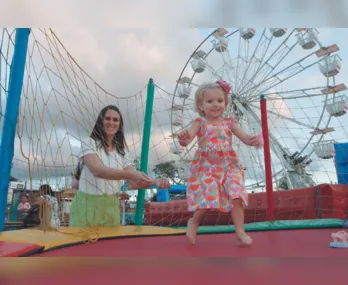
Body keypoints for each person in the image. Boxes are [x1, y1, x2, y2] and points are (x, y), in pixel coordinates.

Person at [177, 80, 263, 246]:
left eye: (220, 101)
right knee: (206, 198)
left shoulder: (229, 122)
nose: (215, 105)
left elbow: (244, 138)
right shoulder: (199, 122)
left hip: (228, 166)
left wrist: (253, 140)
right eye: (210, 101)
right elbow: (187, 140)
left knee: (237, 194)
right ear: (201, 106)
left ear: (226, 103)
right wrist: (183, 139)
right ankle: (194, 222)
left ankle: (240, 230)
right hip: (206, 167)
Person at [69, 105, 170, 227]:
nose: (111, 122)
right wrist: (130, 174)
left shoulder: (122, 151)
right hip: (86, 207)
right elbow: (97, 170)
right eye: (108, 118)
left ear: (120, 124)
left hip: (110, 209)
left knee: (109, 246)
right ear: (101, 121)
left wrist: (155, 181)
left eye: (115, 120)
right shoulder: (90, 142)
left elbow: (135, 182)